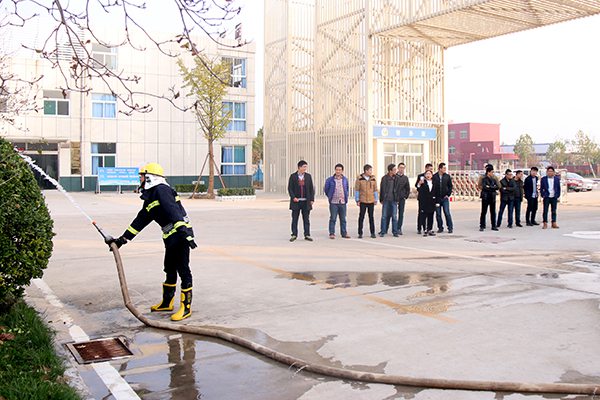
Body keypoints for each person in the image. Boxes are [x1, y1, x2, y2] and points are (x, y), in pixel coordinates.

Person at [108, 163, 197, 321]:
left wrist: (186, 235)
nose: (140, 179)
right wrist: (123, 239)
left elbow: (174, 211)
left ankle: (186, 307)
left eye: (142, 176)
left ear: (149, 177)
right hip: (170, 236)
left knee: (183, 269)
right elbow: (141, 220)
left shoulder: (162, 191)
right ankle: (167, 303)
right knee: (169, 268)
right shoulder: (151, 196)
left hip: (180, 235)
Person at [288, 160, 315, 241]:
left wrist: (312, 199)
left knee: (306, 219)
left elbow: (311, 189)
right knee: (295, 219)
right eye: (304, 167)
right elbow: (290, 188)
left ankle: (307, 234)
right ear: (299, 167)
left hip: (306, 202)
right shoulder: (293, 176)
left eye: (306, 167)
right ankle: (294, 234)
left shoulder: (308, 176)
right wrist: (293, 197)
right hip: (296, 201)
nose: (305, 168)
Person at [324, 163, 350, 239]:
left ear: (342, 171)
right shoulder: (330, 180)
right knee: (333, 218)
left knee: (343, 219)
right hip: (333, 202)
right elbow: (326, 189)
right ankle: (332, 233)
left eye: (340, 170)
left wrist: (345, 197)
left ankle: (344, 233)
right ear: (335, 170)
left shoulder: (345, 179)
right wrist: (329, 196)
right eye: (337, 170)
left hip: (342, 202)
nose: (338, 171)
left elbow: (347, 188)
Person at [355, 164, 378, 239]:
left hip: (371, 200)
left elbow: (375, 190)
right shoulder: (359, 179)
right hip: (363, 200)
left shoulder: (373, 179)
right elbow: (357, 190)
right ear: (366, 171)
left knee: (371, 217)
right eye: (370, 170)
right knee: (361, 217)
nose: (371, 172)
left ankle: (372, 232)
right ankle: (360, 233)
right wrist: (357, 200)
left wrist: (376, 199)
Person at [379, 163, 399, 237]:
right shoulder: (384, 178)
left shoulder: (396, 178)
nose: (395, 171)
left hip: (394, 200)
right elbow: (382, 189)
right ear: (390, 171)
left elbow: (398, 189)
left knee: (394, 216)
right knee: (384, 216)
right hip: (386, 199)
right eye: (394, 169)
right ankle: (383, 231)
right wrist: (381, 199)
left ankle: (395, 231)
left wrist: (397, 198)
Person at [432, 162, 453, 233]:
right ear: (440, 169)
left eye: (445, 168)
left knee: (447, 212)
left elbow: (450, 186)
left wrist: (448, 194)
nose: (445, 169)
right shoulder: (434, 177)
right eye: (444, 168)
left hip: (445, 198)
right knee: (438, 214)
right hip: (437, 198)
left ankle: (450, 227)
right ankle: (440, 227)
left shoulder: (447, 176)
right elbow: (433, 187)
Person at [415, 163, 434, 234]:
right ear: (426, 169)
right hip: (422, 199)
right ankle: (420, 228)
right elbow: (417, 187)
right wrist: (419, 183)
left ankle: (429, 228)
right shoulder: (421, 176)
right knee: (421, 213)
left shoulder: (433, 178)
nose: (430, 171)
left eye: (431, 170)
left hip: (431, 200)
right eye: (429, 169)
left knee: (430, 213)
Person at [479, 165, 499, 231]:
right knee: (484, 211)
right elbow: (482, 186)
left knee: (493, 212)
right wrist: (491, 187)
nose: (493, 173)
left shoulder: (494, 178)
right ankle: (482, 225)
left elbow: (498, 186)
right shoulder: (483, 178)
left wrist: (490, 187)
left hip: (492, 197)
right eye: (492, 172)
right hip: (485, 196)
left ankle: (494, 225)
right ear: (488, 172)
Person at [417, 170, 437, 236]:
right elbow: (419, 189)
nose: (428, 175)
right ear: (425, 175)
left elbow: (437, 192)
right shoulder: (423, 182)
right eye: (427, 174)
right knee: (424, 215)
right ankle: (424, 229)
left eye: (430, 174)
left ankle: (429, 229)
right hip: (424, 201)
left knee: (431, 215)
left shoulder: (434, 182)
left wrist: (437, 201)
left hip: (432, 201)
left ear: (432, 175)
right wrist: (419, 184)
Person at [396, 162, 410, 235]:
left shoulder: (405, 178)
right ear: (398, 168)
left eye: (403, 168)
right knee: (392, 214)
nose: (402, 169)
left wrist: (405, 196)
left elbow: (408, 188)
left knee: (401, 213)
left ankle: (399, 228)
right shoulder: (394, 177)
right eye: (400, 167)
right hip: (394, 198)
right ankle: (390, 228)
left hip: (402, 198)